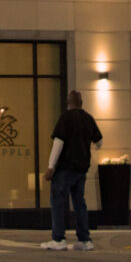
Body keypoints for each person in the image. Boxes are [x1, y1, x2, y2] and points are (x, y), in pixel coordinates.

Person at [42, 90, 102, 252]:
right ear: (81, 103)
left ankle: (58, 238)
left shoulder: (65, 118)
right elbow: (99, 142)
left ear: (68, 103)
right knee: (79, 202)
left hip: (65, 167)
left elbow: (58, 143)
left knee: (58, 200)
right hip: (81, 168)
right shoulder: (88, 118)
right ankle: (84, 239)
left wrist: (50, 166)